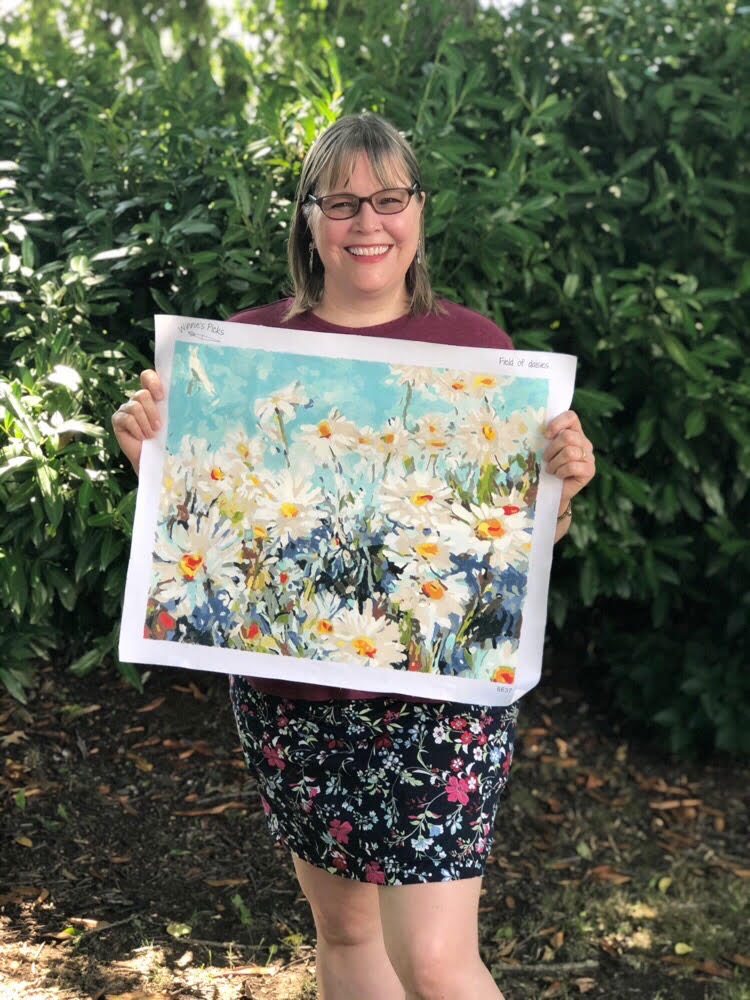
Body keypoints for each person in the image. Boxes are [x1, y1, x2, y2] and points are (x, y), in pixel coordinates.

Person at [112, 113, 596, 1000]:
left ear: (419, 213)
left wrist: (560, 493)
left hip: (437, 695)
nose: (366, 221)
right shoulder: (243, 349)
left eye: (388, 198)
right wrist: (157, 468)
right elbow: (213, 527)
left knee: (438, 964)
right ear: (308, 220)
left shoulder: (482, 352)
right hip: (293, 700)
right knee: (343, 931)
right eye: (341, 201)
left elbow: (520, 550)